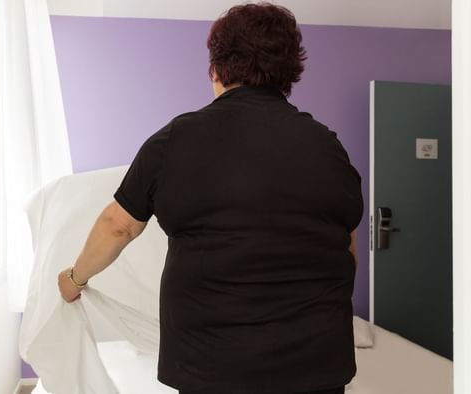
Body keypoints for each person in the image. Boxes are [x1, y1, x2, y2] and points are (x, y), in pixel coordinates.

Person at [58, 3, 363, 393]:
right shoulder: (327, 147)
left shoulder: (175, 141)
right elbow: (347, 246)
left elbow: (117, 226)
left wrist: (74, 278)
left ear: (216, 69)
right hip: (316, 363)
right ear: (289, 73)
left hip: (212, 366)